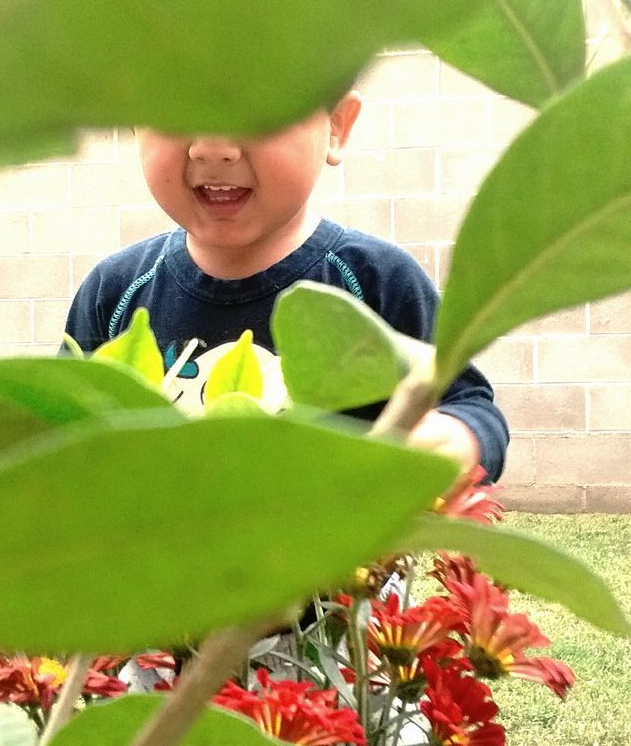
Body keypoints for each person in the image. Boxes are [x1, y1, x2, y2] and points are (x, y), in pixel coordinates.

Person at [63, 92, 508, 480]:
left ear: (336, 125)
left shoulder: (378, 281)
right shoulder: (114, 292)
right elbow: (59, 433)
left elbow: (469, 404)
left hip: (345, 574)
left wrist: (455, 440)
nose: (213, 148)